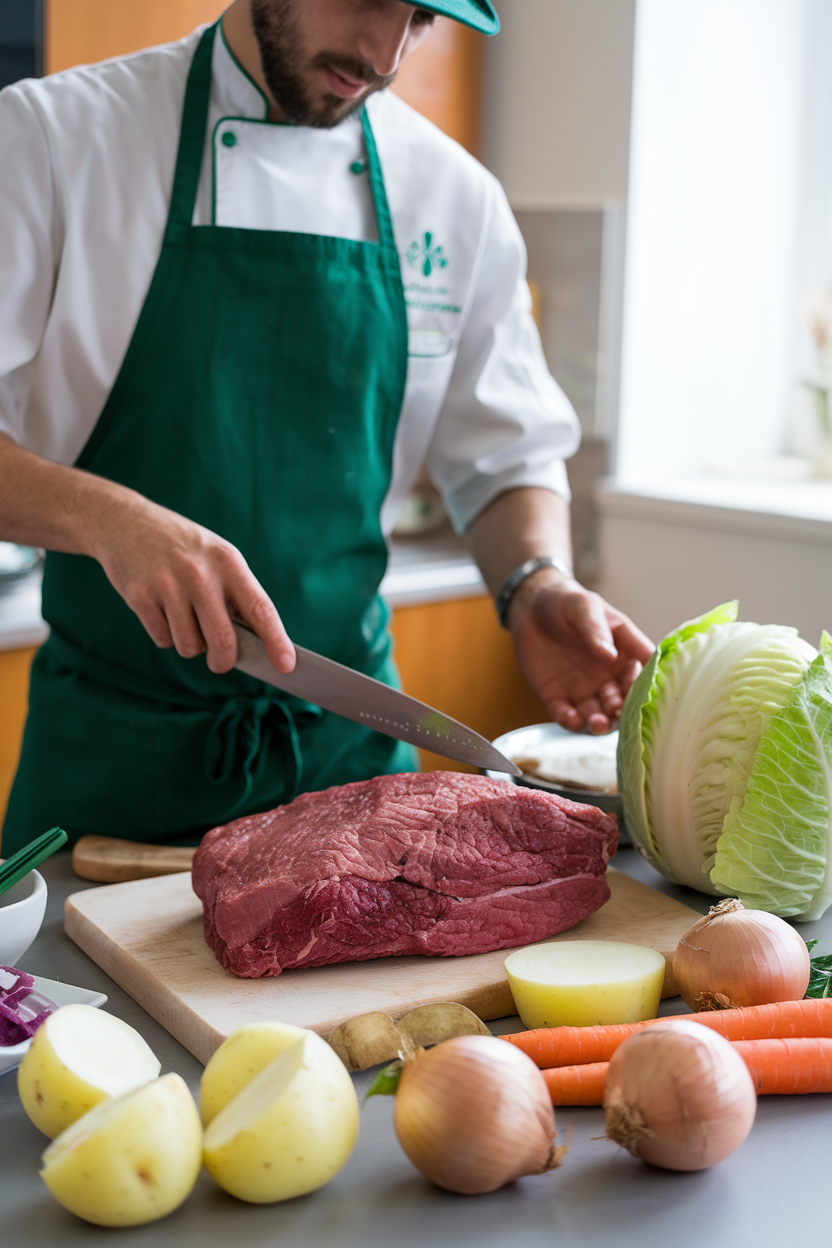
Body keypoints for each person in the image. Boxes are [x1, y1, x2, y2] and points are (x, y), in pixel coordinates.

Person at [0, 0, 652, 853]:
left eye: (422, 18)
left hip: (352, 771)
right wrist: (111, 519)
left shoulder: (456, 200)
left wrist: (536, 581)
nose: (384, 54)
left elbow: (504, 461)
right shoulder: (53, 141)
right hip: (115, 772)